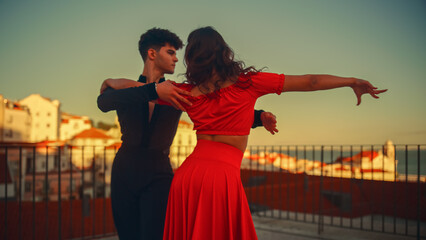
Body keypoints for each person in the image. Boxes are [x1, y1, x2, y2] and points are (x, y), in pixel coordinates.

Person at [153, 26, 386, 240]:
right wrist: (351, 81)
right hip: (220, 178)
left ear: (193, 58)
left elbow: (133, 87)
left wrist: (117, 82)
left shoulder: (186, 91)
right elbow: (310, 81)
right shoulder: (248, 82)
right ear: (223, 52)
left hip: (188, 175)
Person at [97, 28, 278, 240]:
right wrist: (152, 90)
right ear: (152, 54)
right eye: (171, 52)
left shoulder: (179, 92)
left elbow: (218, 108)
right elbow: (104, 102)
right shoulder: (131, 92)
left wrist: (259, 116)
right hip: (123, 173)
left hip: (159, 175)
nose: (176, 59)